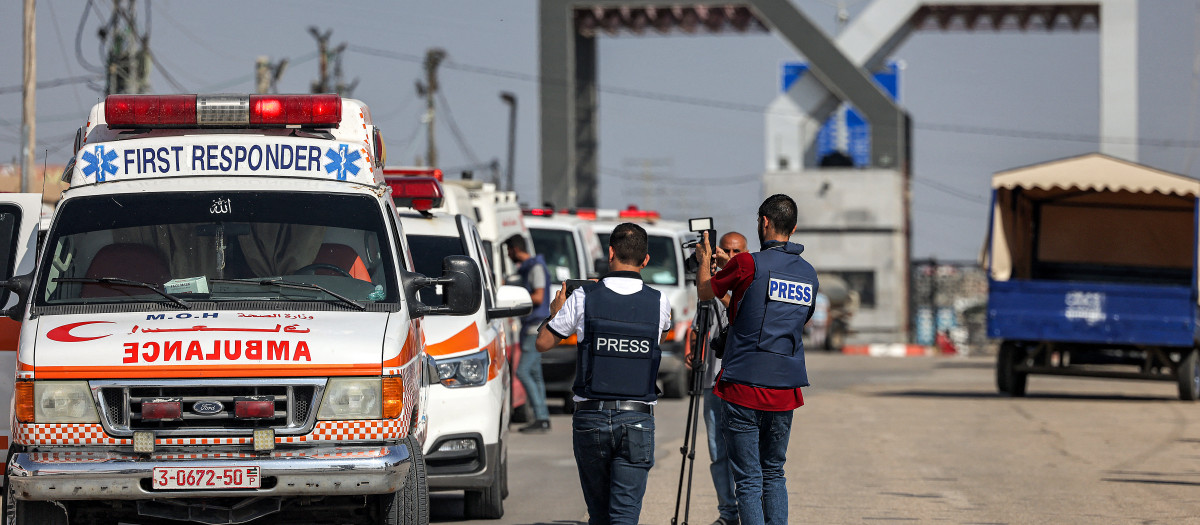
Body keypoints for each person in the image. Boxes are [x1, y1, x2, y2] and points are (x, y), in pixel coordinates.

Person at [536, 222, 672, 525]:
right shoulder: (660, 301)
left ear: (610, 252)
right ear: (646, 259)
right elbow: (662, 329)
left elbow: (543, 343)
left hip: (591, 418)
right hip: (637, 418)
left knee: (598, 516)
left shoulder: (583, 296)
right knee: (624, 517)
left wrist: (557, 310)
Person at [696, 194, 818, 525]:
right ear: (793, 228)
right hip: (785, 389)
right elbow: (793, 319)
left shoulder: (747, 263)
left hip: (744, 388)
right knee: (774, 473)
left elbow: (706, 292)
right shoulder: (808, 274)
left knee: (749, 480)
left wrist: (705, 260)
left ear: (763, 222)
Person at [697, 232, 747, 525]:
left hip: (740, 382)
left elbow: (742, 311)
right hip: (711, 381)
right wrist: (694, 353)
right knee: (718, 453)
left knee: (744, 454)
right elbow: (699, 326)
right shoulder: (709, 285)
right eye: (724, 250)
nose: (729, 255)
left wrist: (718, 287)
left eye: (736, 251)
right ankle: (727, 513)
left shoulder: (751, 281)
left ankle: (747, 511)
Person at [506, 236, 551, 433]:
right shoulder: (529, 268)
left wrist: (515, 297)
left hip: (534, 328)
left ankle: (541, 417)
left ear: (515, 249)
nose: (508, 255)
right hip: (531, 327)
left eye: (508, 251)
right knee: (534, 374)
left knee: (522, 372)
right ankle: (542, 418)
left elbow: (539, 297)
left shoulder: (535, 268)